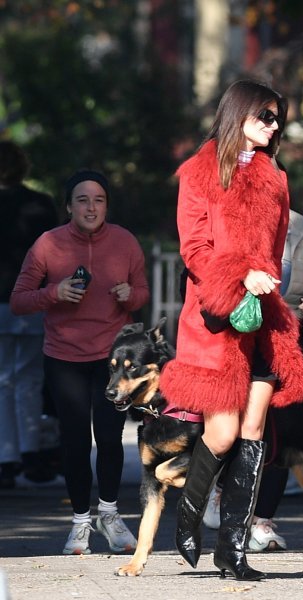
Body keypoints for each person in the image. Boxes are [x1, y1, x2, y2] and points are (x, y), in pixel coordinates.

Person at [159, 79, 303, 581]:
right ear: (238, 115)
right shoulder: (201, 171)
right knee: (221, 434)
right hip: (218, 319)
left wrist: (269, 284)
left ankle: (233, 550)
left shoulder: (276, 178)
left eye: (277, 119)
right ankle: (187, 512)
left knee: (253, 434)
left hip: (263, 320)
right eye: (264, 116)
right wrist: (238, 275)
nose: (273, 126)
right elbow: (193, 248)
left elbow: (278, 247)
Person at [10, 169, 150, 555]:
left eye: (99, 199)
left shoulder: (124, 242)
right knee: (74, 442)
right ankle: (79, 523)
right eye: (83, 200)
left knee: (108, 439)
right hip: (64, 356)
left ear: (107, 205)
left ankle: (109, 514)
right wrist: (53, 292)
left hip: (112, 359)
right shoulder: (47, 244)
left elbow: (141, 293)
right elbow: (20, 299)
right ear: (69, 206)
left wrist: (128, 295)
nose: (91, 207)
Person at [203, 209, 303, 551]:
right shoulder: (226, 221)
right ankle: (219, 493)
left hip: (285, 341)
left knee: (278, 434)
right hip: (233, 340)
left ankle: (262, 519)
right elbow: (195, 282)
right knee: (230, 432)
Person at [0, 141, 58, 489]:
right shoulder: (40, 204)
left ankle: (6, 456)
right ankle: (30, 449)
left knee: (3, 380)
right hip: (32, 299)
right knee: (29, 379)